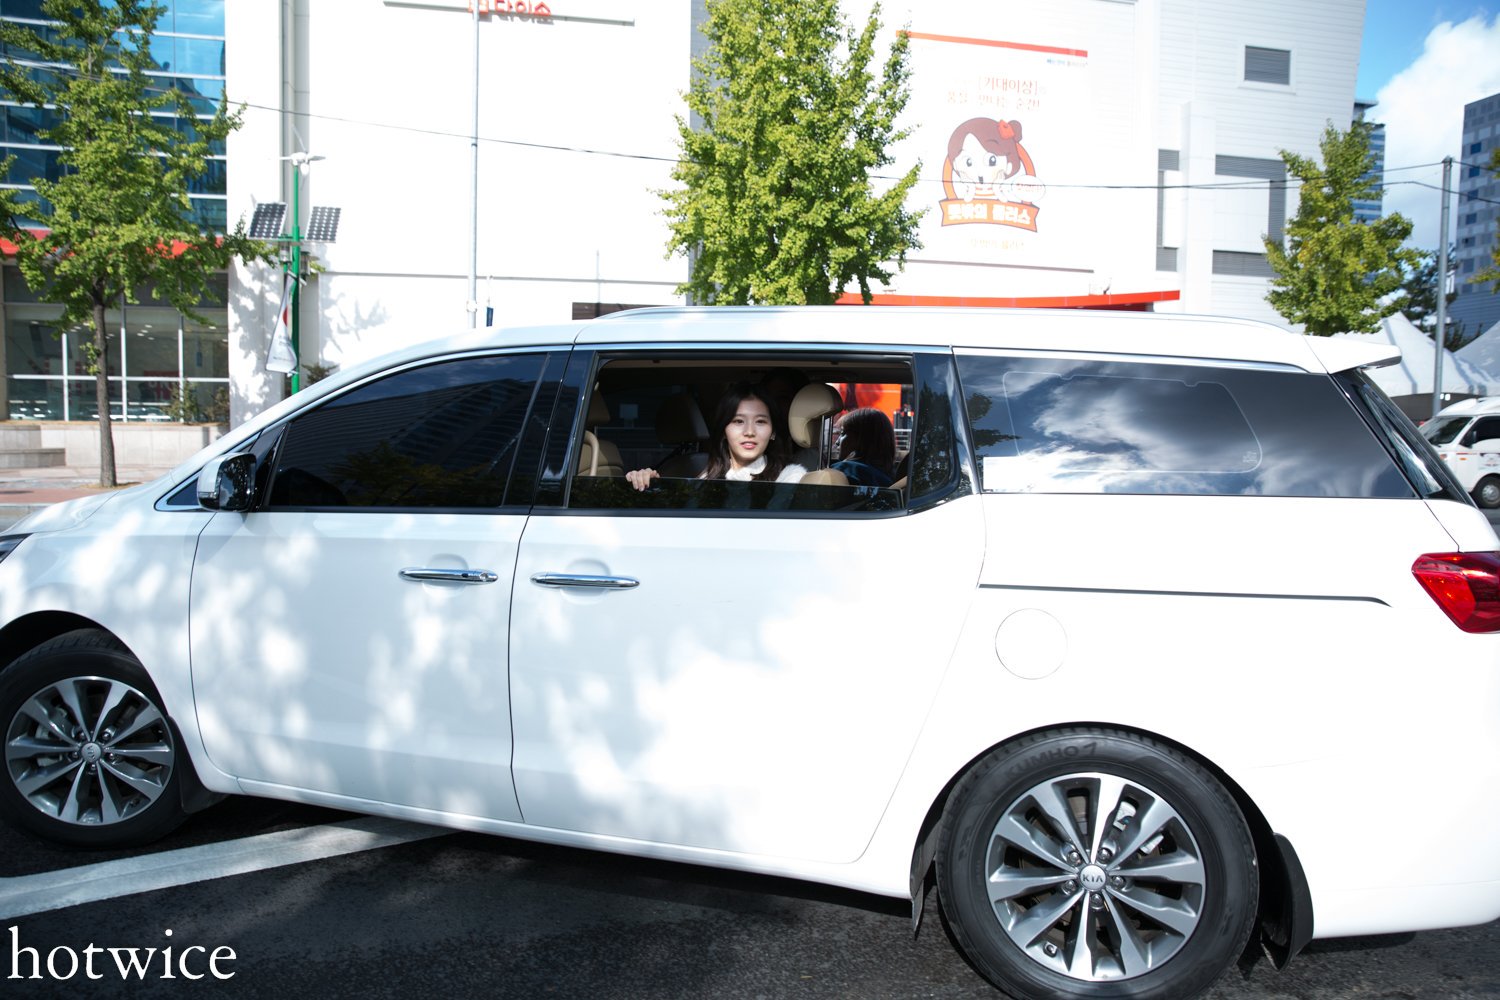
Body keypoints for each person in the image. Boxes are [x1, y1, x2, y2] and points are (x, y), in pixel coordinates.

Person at [626, 383, 807, 490]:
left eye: (760, 422)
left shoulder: (789, 480)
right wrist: (647, 484)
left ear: (773, 431)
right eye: (738, 421)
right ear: (724, 430)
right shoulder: (705, 479)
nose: (749, 431)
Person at [832, 407, 897, 488]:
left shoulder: (844, 470)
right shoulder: (890, 478)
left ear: (861, 439)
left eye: (842, 433)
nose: (837, 442)